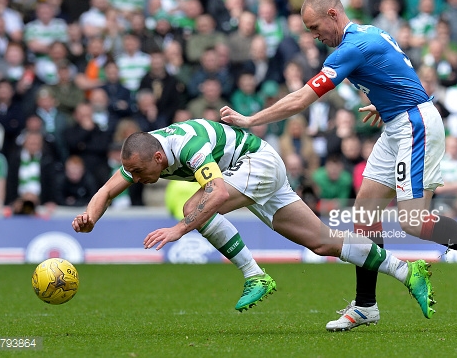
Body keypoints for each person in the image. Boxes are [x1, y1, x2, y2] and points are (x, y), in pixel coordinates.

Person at [220, 0, 457, 331]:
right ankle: (366, 306)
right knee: (364, 214)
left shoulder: (352, 47)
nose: (315, 37)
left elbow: (303, 98)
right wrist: (386, 100)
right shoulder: (371, 32)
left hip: (413, 125)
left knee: (413, 221)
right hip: (397, 121)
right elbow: (399, 70)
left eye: (316, 28)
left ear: (333, 14)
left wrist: (250, 120)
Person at [72, 119, 435, 318]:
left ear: (156, 157)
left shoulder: (188, 145)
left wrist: (179, 229)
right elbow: (105, 191)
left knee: (193, 208)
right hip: (249, 168)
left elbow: (216, 194)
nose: (135, 179)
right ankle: (407, 271)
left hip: (256, 163)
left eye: (138, 172)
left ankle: (254, 275)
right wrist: (90, 216)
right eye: (131, 173)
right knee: (321, 240)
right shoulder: (142, 156)